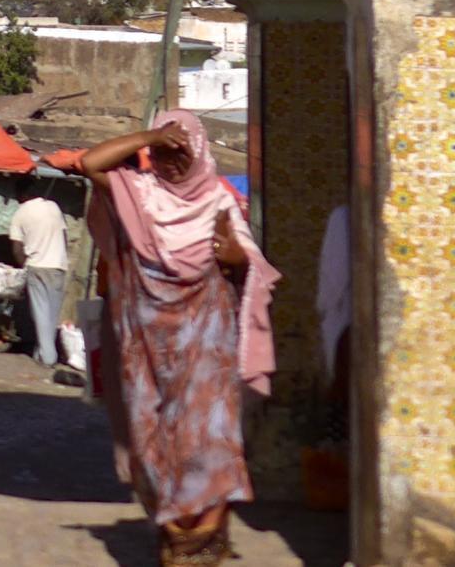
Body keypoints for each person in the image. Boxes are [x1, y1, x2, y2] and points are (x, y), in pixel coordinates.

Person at [79, 112, 281, 567]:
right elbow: (91, 163)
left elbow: (257, 273)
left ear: (200, 153)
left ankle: (203, 541)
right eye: (163, 154)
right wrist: (151, 136)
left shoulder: (219, 203)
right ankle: (174, 532)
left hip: (206, 352)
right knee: (154, 441)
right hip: (146, 352)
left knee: (209, 440)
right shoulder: (140, 194)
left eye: (181, 152)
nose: (172, 163)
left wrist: (238, 260)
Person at [8, 177, 70, 368]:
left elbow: (17, 249)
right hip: (58, 266)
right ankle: (41, 353)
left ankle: (48, 357)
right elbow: (64, 235)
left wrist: (23, 267)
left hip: (36, 265)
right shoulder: (53, 207)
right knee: (51, 314)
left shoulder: (20, 213)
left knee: (41, 314)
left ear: (22, 194)